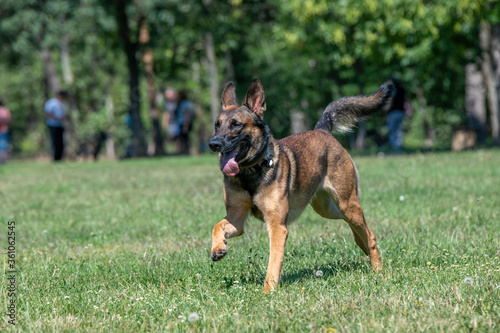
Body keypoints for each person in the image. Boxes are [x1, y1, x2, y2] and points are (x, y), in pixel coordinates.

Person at [386, 77, 410, 151]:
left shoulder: (394, 90)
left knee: (392, 130)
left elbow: (391, 101)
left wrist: (387, 110)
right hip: (401, 112)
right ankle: (399, 146)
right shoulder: (402, 89)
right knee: (399, 130)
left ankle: (394, 147)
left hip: (394, 112)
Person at [44, 91, 68, 161]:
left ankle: (59, 158)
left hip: (60, 125)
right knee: (55, 142)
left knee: (60, 143)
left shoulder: (61, 104)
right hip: (53, 125)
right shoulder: (52, 103)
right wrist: (57, 118)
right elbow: (48, 113)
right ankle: (54, 157)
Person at [175, 90, 194, 155]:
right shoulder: (188, 103)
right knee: (185, 138)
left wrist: (185, 125)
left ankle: (185, 152)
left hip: (184, 123)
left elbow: (187, 114)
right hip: (186, 123)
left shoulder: (184, 103)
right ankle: (185, 152)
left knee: (184, 139)